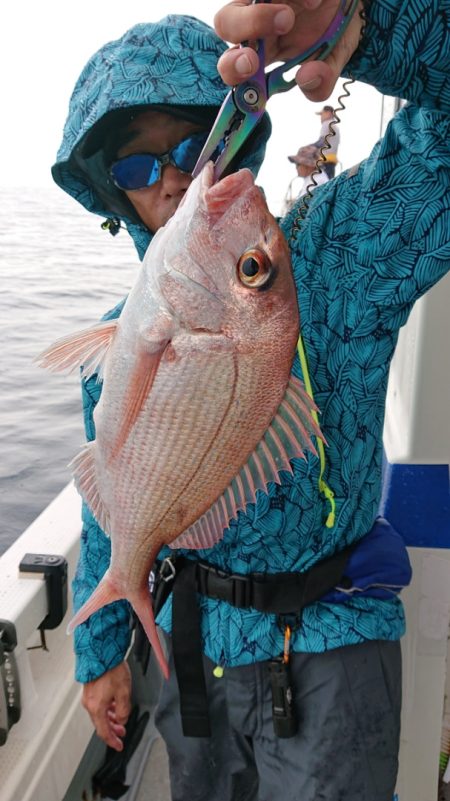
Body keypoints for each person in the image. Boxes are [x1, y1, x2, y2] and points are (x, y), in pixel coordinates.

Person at [52, 3, 450, 801]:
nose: (168, 176)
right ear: (111, 192)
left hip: (332, 640)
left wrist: (370, 26)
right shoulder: (114, 344)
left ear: (231, 139)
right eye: (134, 166)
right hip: (192, 648)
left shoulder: (343, 252)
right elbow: (112, 504)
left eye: (188, 146)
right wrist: (100, 655)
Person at [283, 143, 328, 213]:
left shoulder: (317, 181)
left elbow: (303, 209)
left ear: (308, 165)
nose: (296, 167)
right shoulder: (314, 178)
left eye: (298, 164)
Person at [313, 103, 340, 178]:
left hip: (325, 161)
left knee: (321, 184)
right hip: (331, 162)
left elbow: (321, 142)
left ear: (328, 113)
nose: (321, 117)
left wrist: (306, 149)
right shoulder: (335, 126)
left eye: (322, 114)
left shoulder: (327, 123)